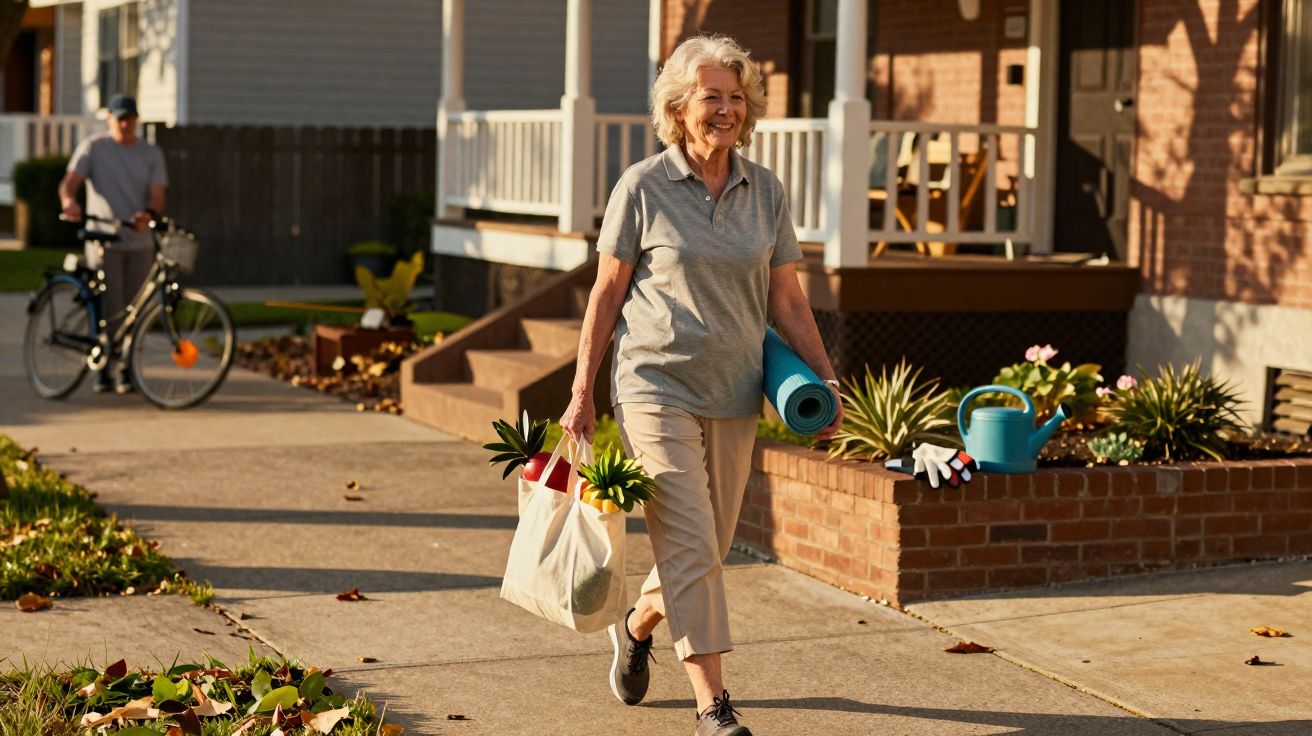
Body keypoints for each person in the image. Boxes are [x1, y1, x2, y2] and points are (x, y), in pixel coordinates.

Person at [559, 35, 843, 736]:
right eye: (711, 96)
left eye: (736, 97)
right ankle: (713, 705)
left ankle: (636, 625)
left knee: (706, 551)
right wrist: (581, 392)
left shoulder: (765, 189)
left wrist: (828, 380)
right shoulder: (643, 186)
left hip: (736, 388)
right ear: (679, 108)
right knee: (690, 546)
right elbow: (605, 295)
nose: (726, 110)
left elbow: (788, 301)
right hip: (655, 386)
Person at [59, 94, 168, 393]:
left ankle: (128, 368)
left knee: (135, 310)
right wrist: (69, 202)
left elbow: (157, 193)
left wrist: (148, 213)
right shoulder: (94, 148)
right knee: (110, 306)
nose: (124, 123)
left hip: (139, 242)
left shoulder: (151, 153)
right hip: (103, 240)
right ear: (109, 118)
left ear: (136, 119)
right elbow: (69, 183)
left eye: (129, 118)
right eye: (119, 118)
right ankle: (104, 368)